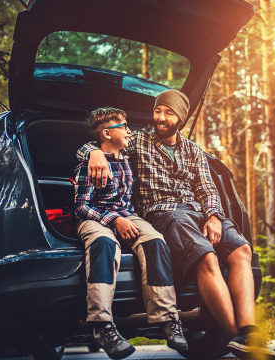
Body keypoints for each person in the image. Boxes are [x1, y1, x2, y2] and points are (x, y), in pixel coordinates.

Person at [77, 91, 275, 360]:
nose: (160, 117)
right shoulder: (138, 141)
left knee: (242, 251)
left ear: (181, 118)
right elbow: (99, 142)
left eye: (168, 112)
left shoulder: (193, 150)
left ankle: (248, 333)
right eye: (158, 111)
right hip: (164, 213)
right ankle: (248, 346)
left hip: (198, 214)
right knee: (206, 257)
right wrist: (93, 153)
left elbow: (208, 190)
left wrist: (214, 217)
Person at [74, 107, 188, 359]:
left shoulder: (127, 155)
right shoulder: (89, 165)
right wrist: (114, 220)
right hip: (95, 217)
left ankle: (167, 318)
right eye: (124, 127)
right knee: (104, 243)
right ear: (106, 133)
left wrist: (124, 219)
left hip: (129, 215)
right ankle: (101, 325)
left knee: (156, 241)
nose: (129, 131)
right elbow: (82, 206)